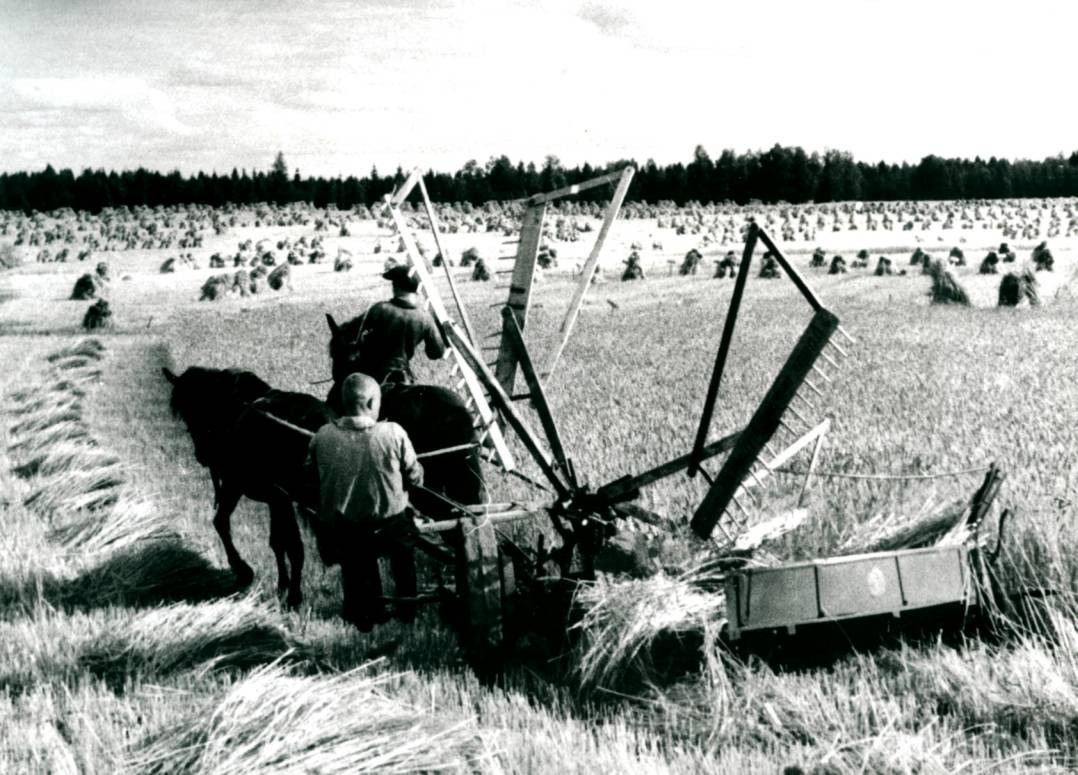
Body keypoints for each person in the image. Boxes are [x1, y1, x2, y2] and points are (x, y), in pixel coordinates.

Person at [307, 373, 424, 631]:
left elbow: (311, 476)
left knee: (355, 558)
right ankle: (407, 609)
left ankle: (364, 614)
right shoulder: (393, 432)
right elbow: (415, 476)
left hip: (346, 530)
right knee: (403, 551)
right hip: (391, 528)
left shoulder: (322, 436)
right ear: (371, 403)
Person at [352, 265, 446, 388]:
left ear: (396, 286)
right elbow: (436, 353)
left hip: (373, 374)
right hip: (404, 375)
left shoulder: (380, 309)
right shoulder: (425, 317)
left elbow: (352, 334)